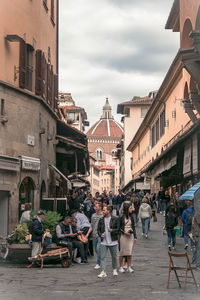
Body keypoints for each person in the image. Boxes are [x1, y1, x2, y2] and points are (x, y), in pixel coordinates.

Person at [97, 206, 119, 278]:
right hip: (104, 241)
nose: (102, 211)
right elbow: (98, 230)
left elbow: (118, 229)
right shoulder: (101, 220)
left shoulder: (115, 219)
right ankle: (103, 271)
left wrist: (112, 230)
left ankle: (114, 269)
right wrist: (100, 235)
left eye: (104, 210)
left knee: (114, 257)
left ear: (108, 211)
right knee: (102, 257)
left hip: (113, 241)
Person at [119, 203, 137, 273]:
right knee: (122, 252)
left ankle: (129, 266)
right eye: (130, 208)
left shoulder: (132, 217)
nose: (132, 209)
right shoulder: (121, 217)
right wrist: (124, 232)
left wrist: (135, 236)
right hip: (123, 236)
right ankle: (121, 266)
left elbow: (133, 227)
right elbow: (119, 228)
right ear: (127, 209)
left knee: (129, 252)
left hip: (130, 236)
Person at [91, 202, 103, 269]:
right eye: (94, 206)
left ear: (100, 207)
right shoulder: (93, 215)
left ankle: (99, 263)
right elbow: (92, 225)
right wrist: (88, 234)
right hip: (94, 234)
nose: (94, 208)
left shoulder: (103, 215)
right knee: (96, 249)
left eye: (96, 206)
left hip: (100, 234)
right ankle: (101, 260)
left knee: (98, 248)